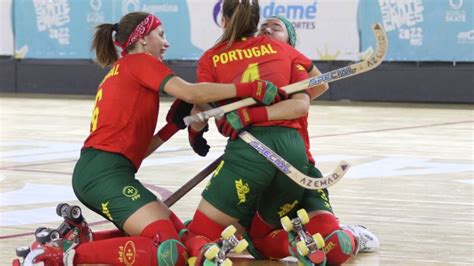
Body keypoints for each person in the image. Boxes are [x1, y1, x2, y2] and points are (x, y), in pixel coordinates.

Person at [26, 11, 286, 266]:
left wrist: (171, 127)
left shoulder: (121, 69)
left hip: (106, 171)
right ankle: (57, 257)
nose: (166, 42)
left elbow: (132, 150)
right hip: (103, 175)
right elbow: (192, 92)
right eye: (160, 35)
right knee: (167, 248)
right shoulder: (140, 61)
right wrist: (250, 88)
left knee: (182, 236)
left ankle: (82, 239)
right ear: (142, 40)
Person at [179, 0, 321, 264]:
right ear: (256, 23)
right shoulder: (282, 48)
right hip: (294, 153)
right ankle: (293, 244)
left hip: (249, 151)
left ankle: (205, 253)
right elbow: (318, 85)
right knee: (261, 237)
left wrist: (197, 133)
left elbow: (201, 107)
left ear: (223, 20)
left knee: (197, 232)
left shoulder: (211, 57)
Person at [241, 15, 380, 265]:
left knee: (336, 247)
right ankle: (295, 240)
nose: (267, 30)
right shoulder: (243, 72)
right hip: (261, 175)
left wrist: (282, 94)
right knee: (258, 245)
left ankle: (353, 235)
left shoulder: (293, 70)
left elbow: (319, 86)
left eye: (276, 28)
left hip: (301, 174)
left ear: (290, 43)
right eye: (263, 27)